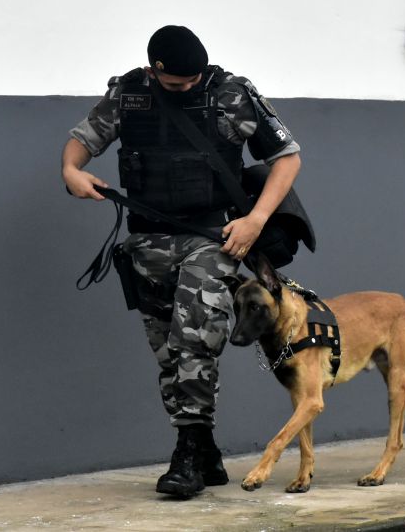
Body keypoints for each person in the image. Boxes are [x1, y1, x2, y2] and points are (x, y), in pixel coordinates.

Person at [61, 25, 301, 499]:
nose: (187, 86)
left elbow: (287, 157)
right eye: (176, 82)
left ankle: (187, 454)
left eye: (193, 79)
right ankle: (205, 450)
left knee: (194, 339)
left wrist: (255, 220)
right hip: (147, 241)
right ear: (154, 70)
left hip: (212, 239)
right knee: (167, 352)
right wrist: (71, 171)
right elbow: (81, 142)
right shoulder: (129, 94)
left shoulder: (232, 95)